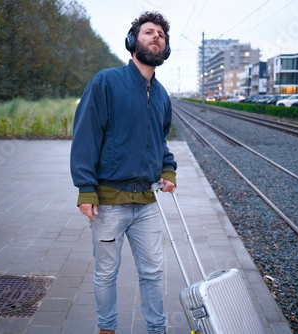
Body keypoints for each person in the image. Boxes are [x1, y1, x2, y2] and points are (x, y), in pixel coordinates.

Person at [70, 11, 176, 334]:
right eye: (148, 32)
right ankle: (107, 329)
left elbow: (158, 142)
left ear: (165, 49)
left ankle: (157, 330)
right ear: (133, 41)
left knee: (154, 273)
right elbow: (86, 134)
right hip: (108, 203)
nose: (155, 36)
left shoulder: (161, 96)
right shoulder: (106, 82)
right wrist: (85, 187)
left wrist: (168, 168)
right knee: (106, 273)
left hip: (146, 204)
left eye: (160, 33)